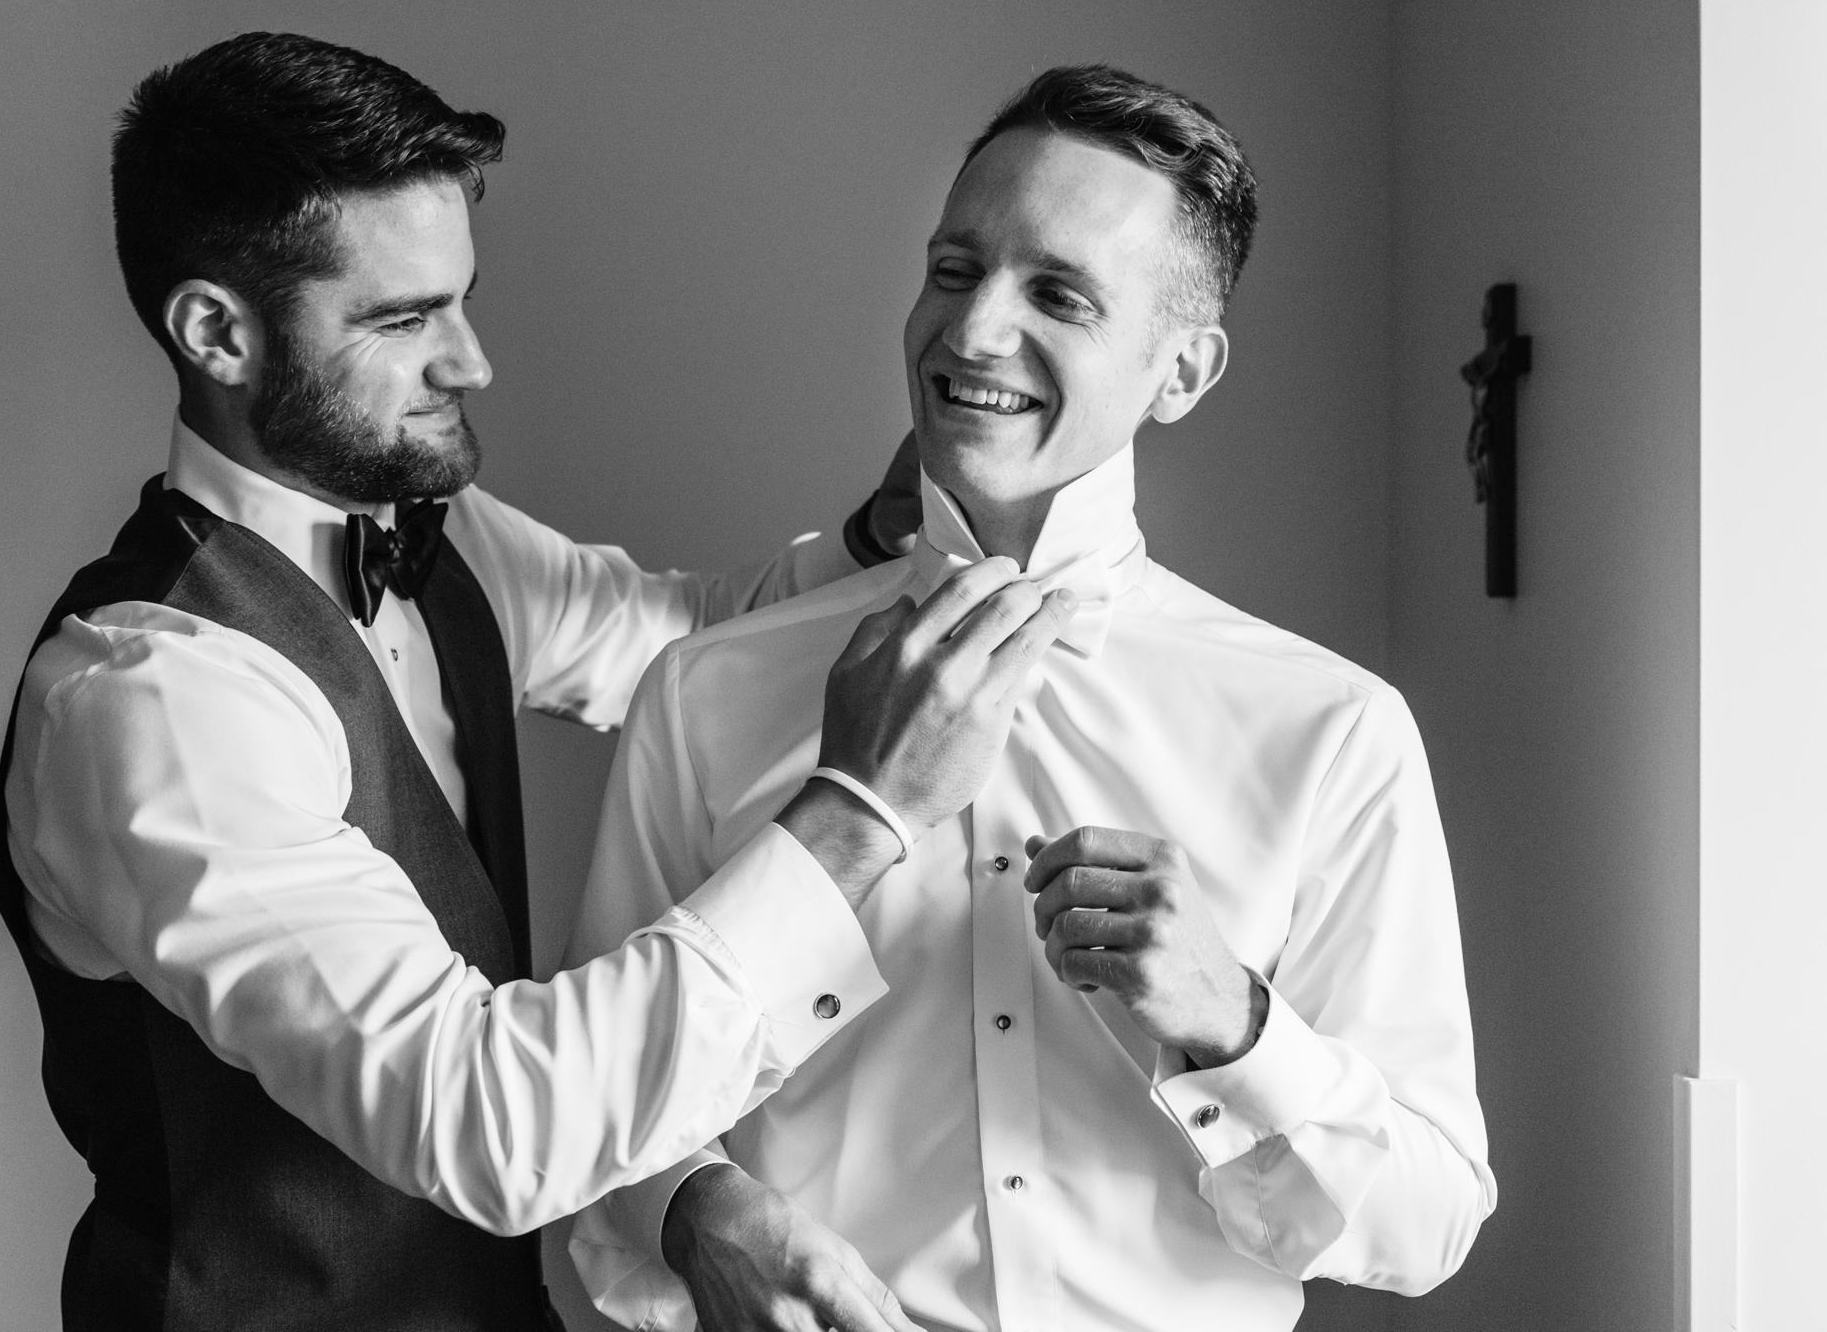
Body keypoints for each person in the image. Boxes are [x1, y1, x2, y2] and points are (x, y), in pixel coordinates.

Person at [0, 31, 1076, 1332]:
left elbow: (676, 638)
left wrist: (876, 537)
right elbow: (490, 1120)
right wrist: (860, 815)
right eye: (402, 320)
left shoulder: (447, 539)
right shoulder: (148, 699)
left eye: (463, 298)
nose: (471, 361)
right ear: (216, 332)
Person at [565, 65, 1495, 1332]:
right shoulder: (706, 694)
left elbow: (1428, 1222)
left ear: (1183, 371)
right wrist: (689, 1205)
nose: (970, 332)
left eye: (1056, 292)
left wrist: (1235, 1024)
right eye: (954, 270)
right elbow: (584, 1117)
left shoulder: (1330, 730)